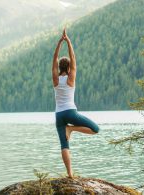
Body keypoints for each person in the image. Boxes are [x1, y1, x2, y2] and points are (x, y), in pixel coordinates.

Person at [52, 28, 100, 178]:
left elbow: (54, 60)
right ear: (69, 68)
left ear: (60, 67)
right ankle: (71, 129)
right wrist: (69, 41)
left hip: (59, 115)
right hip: (71, 112)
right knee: (95, 129)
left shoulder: (55, 79)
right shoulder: (70, 79)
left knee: (64, 145)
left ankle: (70, 174)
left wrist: (59, 42)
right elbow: (73, 58)